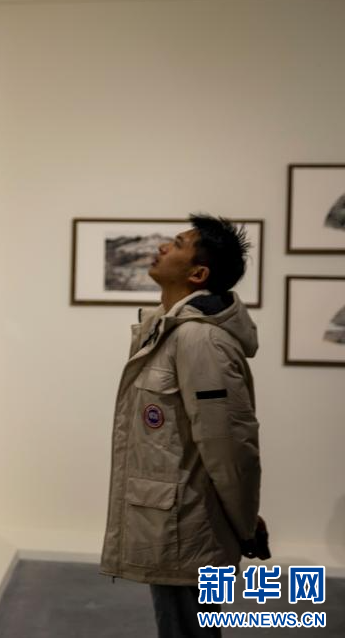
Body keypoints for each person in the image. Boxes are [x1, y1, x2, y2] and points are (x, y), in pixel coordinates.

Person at [100, 214, 269, 637]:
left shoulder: (200, 341)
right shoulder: (166, 329)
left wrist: (245, 523)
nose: (162, 247)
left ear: (198, 274)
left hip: (190, 529)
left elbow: (230, 446)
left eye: (177, 244)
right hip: (176, 525)